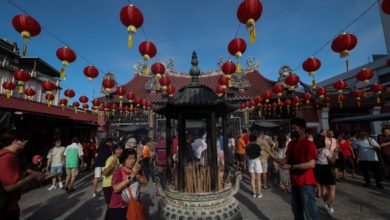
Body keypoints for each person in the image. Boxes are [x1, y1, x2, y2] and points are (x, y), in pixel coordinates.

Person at [274, 118, 319, 220]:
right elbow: (287, 159)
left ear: (302, 129)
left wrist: (292, 166)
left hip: (306, 182)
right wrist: (278, 160)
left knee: (310, 213)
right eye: (291, 128)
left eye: (295, 128)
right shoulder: (291, 144)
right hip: (294, 182)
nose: (292, 130)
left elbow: (312, 164)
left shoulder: (309, 144)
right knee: (296, 212)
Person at [0, 130, 46, 220]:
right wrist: (33, 177)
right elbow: (9, 187)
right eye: (24, 140)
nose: (26, 142)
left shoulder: (2, 153)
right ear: (16, 141)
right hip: (7, 207)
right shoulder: (9, 157)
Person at [106, 149, 148, 220]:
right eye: (129, 158)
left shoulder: (137, 170)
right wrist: (131, 176)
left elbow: (145, 182)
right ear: (124, 160)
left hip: (134, 205)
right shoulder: (118, 171)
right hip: (119, 207)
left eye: (133, 158)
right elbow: (115, 189)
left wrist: (136, 175)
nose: (132, 161)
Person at [313, 134, 338, 215]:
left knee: (323, 187)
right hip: (325, 169)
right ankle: (327, 205)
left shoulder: (314, 150)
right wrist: (335, 153)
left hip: (317, 169)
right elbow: (332, 162)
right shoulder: (325, 150)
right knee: (332, 188)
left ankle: (328, 207)